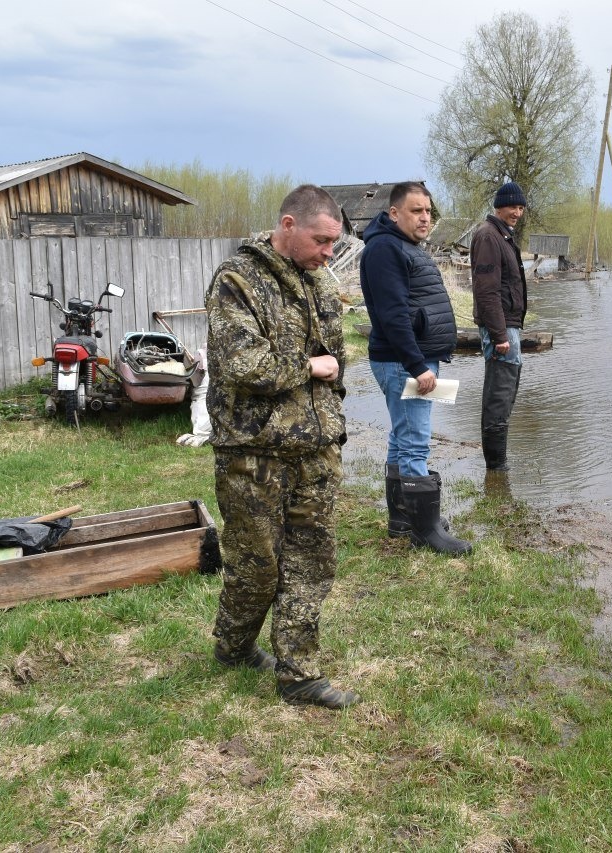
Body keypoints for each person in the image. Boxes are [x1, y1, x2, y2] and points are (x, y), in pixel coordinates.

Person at [205, 184, 358, 710]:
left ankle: (300, 674)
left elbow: (335, 357)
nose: (328, 252)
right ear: (288, 226)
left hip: (315, 450)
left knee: (312, 559)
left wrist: (331, 395)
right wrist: (309, 368)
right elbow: (239, 364)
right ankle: (233, 644)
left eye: (333, 243)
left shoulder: (318, 282)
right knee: (256, 566)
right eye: (320, 240)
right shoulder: (237, 280)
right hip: (254, 454)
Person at [359, 181, 471, 555]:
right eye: (416, 211)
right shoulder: (385, 249)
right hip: (403, 361)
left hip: (408, 359)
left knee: (402, 437)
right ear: (394, 213)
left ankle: (404, 519)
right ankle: (426, 531)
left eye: (428, 211)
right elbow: (392, 315)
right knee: (415, 443)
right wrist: (417, 364)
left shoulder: (400, 245)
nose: (425, 218)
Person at [471, 180, 529, 471]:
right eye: (511, 206)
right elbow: (486, 291)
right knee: (498, 394)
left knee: (505, 392)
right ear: (498, 206)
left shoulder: (502, 236)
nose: (516, 212)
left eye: (520, 207)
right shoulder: (488, 236)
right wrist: (499, 334)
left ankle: (498, 463)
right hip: (501, 328)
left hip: (508, 326)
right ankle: (496, 466)